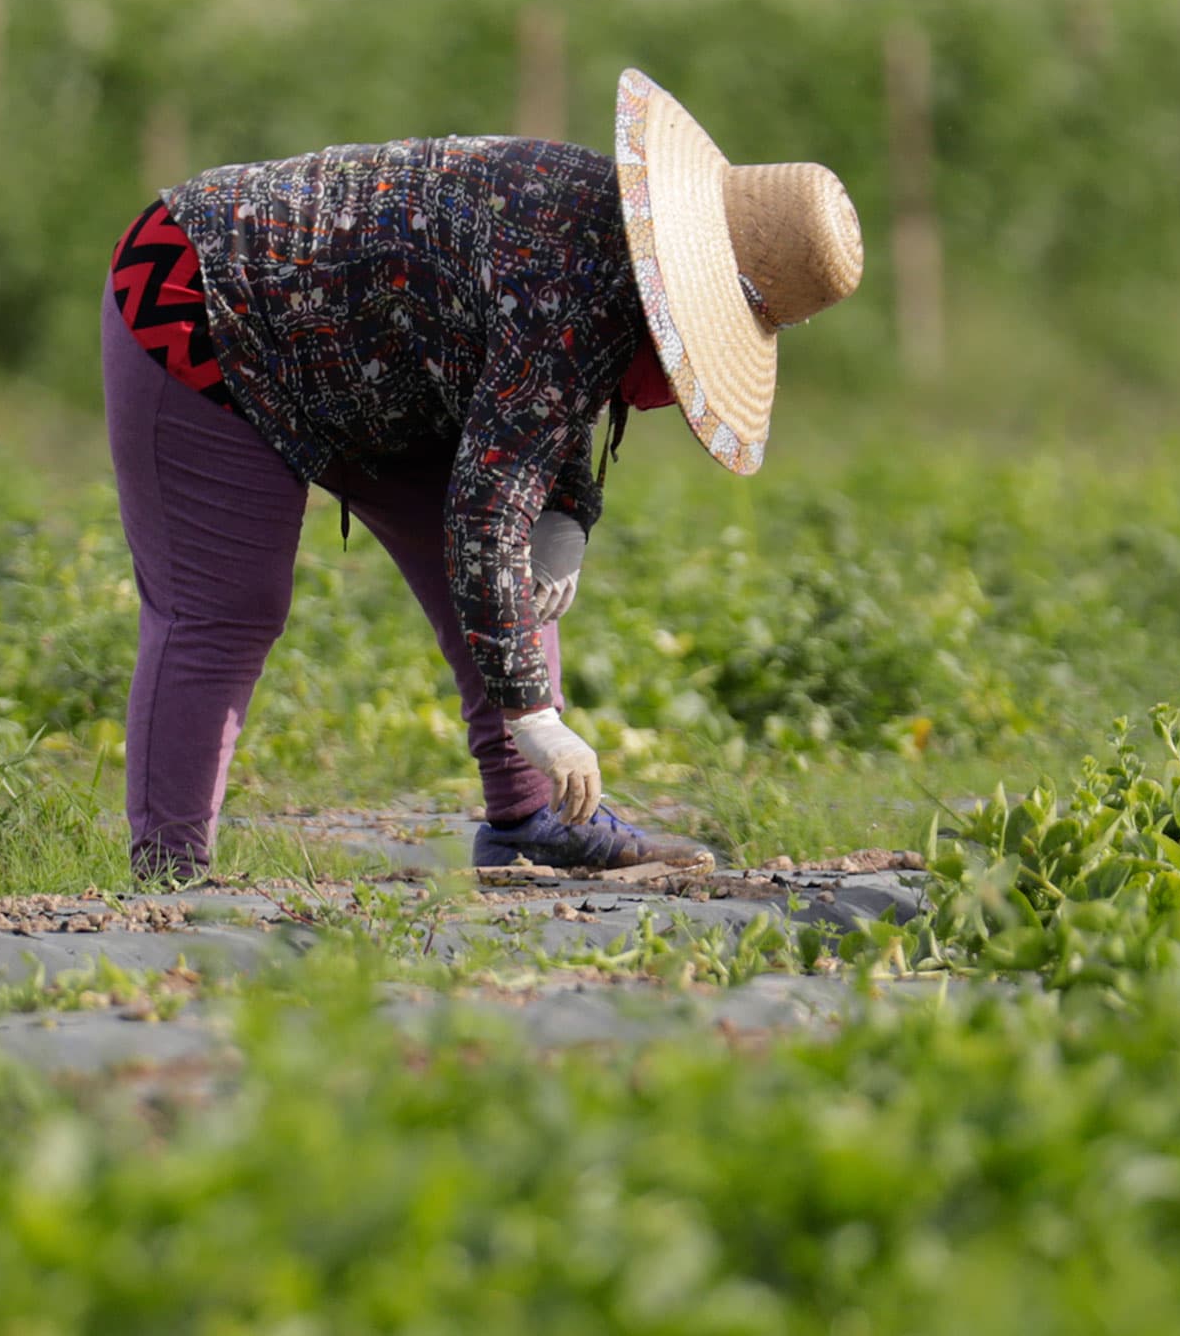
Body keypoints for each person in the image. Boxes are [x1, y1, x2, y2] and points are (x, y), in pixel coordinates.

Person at [104, 69, 864, 884]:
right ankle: (168, 874)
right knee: (227, 605)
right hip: (207, 292)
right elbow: (491, 504)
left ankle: (535, 820)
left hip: (376, 354)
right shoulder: (575, 276)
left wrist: (567, 514)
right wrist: (533, 713)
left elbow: (548, 408)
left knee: (521, 565)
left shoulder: (609, 256)